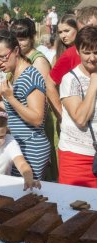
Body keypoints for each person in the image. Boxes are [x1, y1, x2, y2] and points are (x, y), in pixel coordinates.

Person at [0, 29, 50, 180]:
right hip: (20, 147)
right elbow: (19, 113)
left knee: (28, 196)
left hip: (31, 148)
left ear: (16, 50)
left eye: (3, 57)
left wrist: (10, 98)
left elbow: (37, 119)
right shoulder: (15, 74)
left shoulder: (30, 75)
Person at [58, 26, 97, 188]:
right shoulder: (70, 79)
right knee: (72, 209)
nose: (93, 58)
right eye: (87, 53)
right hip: (76, 159)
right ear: (78, 52)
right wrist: (93, 83)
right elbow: (80, 118)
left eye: (96, 52)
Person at [46, 6, 97, 124]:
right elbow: (49, 83)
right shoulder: (71, 54)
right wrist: (61, 116)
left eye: (94, 29)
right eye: (84, 30)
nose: (90, 35)